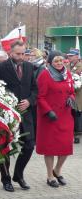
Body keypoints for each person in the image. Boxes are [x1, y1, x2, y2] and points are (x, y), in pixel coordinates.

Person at [0, 40, 37, 192]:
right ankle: (6, 179)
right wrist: (8, 102)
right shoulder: (1, 67)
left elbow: (34, 88)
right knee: (4, 148)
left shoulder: (28, 66)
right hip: (7, 115)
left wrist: (29, 101)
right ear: (10, 53)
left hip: (25, 114)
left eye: (23, 53)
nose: (21, 57)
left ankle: (18, 175)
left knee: (29, 145)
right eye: (18, 54)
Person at [36, 51, 75, 188]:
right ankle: (50, 176)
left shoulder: (67, 74)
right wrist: (48, 111)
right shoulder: (45, 75)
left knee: (66, 146)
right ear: (50, 63)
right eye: (56, 61)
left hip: (65, 116)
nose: (59, 63)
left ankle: (57, 170)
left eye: (61, 60)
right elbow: (40, 97)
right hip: (50, 117)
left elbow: (71, 91)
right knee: (50, 148)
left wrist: (71, 98)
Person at [67, 48, 82, 144]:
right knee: (71, 114)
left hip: (78, 94)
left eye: (71, 56)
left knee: (77, 115)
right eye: (69, 56)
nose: (69, 57)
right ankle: (71, 133)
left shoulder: (80, 66)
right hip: (69, 95)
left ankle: (77, 134)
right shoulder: (68, 65)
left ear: (77, 56)